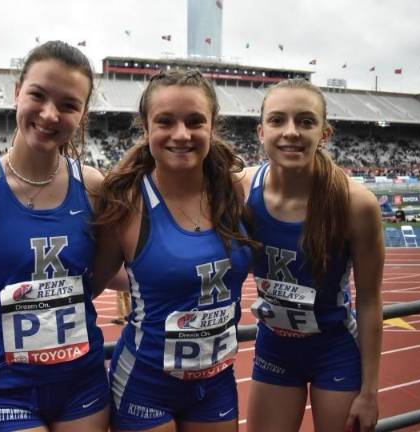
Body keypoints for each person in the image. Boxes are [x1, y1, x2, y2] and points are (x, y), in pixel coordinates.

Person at [0, 40, 109, 432]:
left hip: (82, 380)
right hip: (6, 384)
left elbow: (96, 278)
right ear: (18, 92)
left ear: (83, 114)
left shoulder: (94, 188)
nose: (50, 114)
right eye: (38, 95)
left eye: (69, 105)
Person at [92, 70, 254, 432]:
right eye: (165, 121)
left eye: (195, 121)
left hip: (216, 383)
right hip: (145, 384)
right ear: (146, 129)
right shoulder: (126, 203)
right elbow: (91, 281)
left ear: (212, 126)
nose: (181, 134)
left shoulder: (239, 192)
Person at [240, 79, 384, 432]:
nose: (291, 132)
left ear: (324, 133)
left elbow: (369, 300)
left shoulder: (356, 203)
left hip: (334, 350)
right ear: (260, 132)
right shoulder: (240, 189)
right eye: (277, 121)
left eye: (306, 121)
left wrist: (369, 392)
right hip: (274, 348)